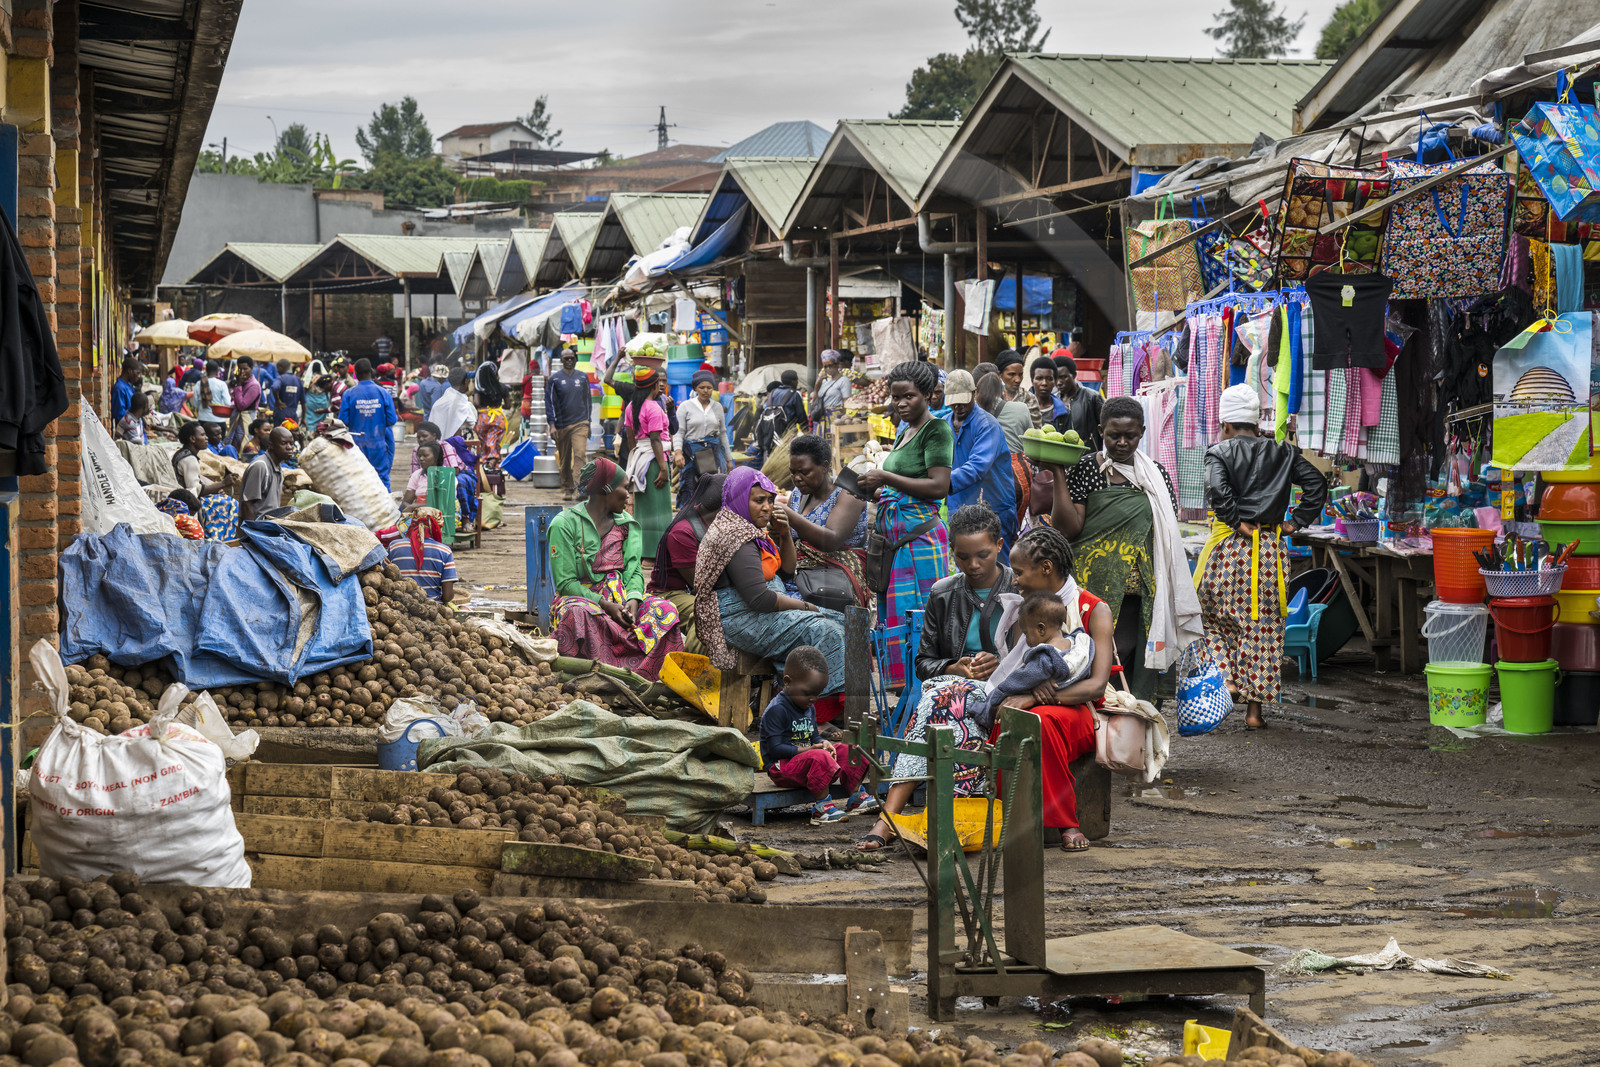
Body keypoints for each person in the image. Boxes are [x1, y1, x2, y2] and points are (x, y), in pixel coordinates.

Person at [864, 524, 1116, 852]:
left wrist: (1030, 697)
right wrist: (995, 673)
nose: (1014, 579)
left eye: (1021, 572)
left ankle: (1065, 821)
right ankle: (931, 816)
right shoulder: (1022, 608)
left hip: (1074, 706)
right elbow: (1015, 670)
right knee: (945, 700)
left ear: (1046, 568)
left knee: (1038, 722)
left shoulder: (1093, 609)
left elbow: (1096, 686)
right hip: (1021, 698)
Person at [854, 505, 1011, 850]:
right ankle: (944, 822)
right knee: (946, 700)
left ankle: (888, 819)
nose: (973, 565)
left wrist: (1000, 663)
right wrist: (953, 667)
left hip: (1002, 689)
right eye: (963, 557)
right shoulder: (943, 593)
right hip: (949, 688)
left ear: (999, 545)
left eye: (982, 555)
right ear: (951, 551)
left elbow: (1036, 652)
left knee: (941, 706)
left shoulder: (1020, 588)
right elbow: (923, 663)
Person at [1047, 395, 1203, 703]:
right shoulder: (1086, 468)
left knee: (1131, 658)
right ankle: (1100, 734)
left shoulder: (1155, 476)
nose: (1121, 442)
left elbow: (1164, 533)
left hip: (1139, 591)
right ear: (1101, 430)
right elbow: (1068, 529)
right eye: (1112, 435)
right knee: (1090, 657)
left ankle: (1133, 734)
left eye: (1129, 436)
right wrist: (1057, 474)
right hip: (1091, 590)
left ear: (1142, 432)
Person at [1198, 384, 1328, 729]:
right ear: (1258, 425)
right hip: (1269, 548)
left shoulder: (1219, 451)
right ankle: (1254, 714)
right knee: (1264, 628)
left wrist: (1236, 521)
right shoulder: (1283, 452)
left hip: (1227, 545)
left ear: (1226, 424)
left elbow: (1217, 490)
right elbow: (1317, 485)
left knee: (1212, 618)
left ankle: (1226, 679)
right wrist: (1294, 522)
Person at [693, 466, 848, 689]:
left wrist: (784, 534)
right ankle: (817, 710)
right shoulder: (737, 537)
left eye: (770, 500)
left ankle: (816, 699)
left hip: (753, 612)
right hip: (739, 619)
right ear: (739, 499)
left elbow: (786, 572)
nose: (767, 507)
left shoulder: (745, 528)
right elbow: (760, 600)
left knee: (841, 620)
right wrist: (805, 607)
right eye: (759, 500)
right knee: (825, 631)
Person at [856, 360, 952, 689]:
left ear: (927, 394)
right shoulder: (904, 430)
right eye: (895, 398)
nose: (900, 404)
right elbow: (906, 482)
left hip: (919, 542)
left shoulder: (937, 430)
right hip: (897, 544)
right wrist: (879, 490)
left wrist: (883, 475)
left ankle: (921, 692)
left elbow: (939, 486)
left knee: (918, 620)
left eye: (908, 396)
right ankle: (903, 694)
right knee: (896, 620)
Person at [549, 457, 683, 679]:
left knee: (665, 611)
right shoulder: (564, 524)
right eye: (625, 488)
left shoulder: (626, 524)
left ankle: (645, 675)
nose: (629, 496)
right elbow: (565, 583)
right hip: (582, 599)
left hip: (621, 597)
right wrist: (605, 605)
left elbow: (634, 571)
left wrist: (633, 599)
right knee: (577, 614)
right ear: (607, 490)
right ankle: (592, 674)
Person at [758, 646, 876, 826]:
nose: (813, 699)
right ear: (787, 682)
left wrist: (823, 742)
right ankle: (822, 808)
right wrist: (811, 750)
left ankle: (855, 796)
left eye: (817, 694)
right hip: (781, 767)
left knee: (850, 749)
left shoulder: (809, 707)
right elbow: (774, 749)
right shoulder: (777, 710)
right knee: (819, 756)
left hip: (808, 761)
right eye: (808, 693)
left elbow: (814, 737)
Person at [782, 434, 869, 609]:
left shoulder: (849, 493)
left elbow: (831, 540)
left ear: (824, 467)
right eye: (793, 472)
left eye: (804, 472)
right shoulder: (797, 494)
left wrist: (789, 516)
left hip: (837, 578)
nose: (797, 478)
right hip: (803, 573)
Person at [647, 473, 724, 655]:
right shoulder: (683, 532)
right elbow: (701, 584)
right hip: (671, 593)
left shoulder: (714, 521)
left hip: (697, 589)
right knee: (707, 614)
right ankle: (693, 668)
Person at [944, 369, 1017, 559]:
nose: (958, 407)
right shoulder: (944, 424)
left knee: (997, 565)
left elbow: (977, 466)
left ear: (974, 394)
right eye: (954, 402)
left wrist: (941, 483)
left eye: (963, 401)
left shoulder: (987, 425)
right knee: (966, 565)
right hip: (959, 506)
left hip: (993, 505)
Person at [620, 365, 676, 557]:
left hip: (639, 458)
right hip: (654, 460)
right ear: (653, 386)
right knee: (660, 509)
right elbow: (655, 439)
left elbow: (630, 439)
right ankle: (656, 554)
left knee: (643, 509)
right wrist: (663, 468)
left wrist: (634, 460)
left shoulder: (631, 407)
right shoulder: (653, 408)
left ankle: (643, 551)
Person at [976, 371, 1034, 529]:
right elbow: (1031, 442)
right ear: (1002, 391)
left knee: (987, 530)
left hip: (986, 473)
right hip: (1019, 473)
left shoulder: (973, 414)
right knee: (1012, 529)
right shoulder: (1021, 408)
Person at [170, 422, 239, 541]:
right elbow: (195, 490)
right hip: (190, 502)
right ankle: (222, 539)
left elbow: (198, 480)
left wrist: (216, 487)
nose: (206, 438)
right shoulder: (189, 459)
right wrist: (223, 483)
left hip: (185, 496)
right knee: (231, 504)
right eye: (202, 435)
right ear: (192, 439)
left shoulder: (183, 454)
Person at [673, 370, 731, 508]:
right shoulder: (685, 407)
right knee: (689, 487)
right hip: (690, 454)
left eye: (709, 387)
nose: (706, 391)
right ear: (695, 388)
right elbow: (679, 432)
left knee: (714, 488)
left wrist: (728, 460)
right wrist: (678, 452)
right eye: (702, 387)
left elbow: (723, 433)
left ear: (713, 388)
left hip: (714, 454)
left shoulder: (717, 407)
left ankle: (710, 519)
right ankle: (687, 519)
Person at [341, 358, 399, 487]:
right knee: (382, 478)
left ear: (355, 373)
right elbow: (392, 419)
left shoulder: (348, 394)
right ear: (371, 371)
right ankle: (384, 506)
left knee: (358, 479)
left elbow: (343, 421)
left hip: (356, 444)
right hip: (378, 442)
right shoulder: (383, 392)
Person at [546, 348, 593, 501]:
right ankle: (567, 487)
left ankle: (580, 488)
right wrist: (552, 425)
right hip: (562, 425)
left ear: (575, 359)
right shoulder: (554, 380)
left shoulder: (583, 377)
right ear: (561, 360)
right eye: (566, 358)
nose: (569, 360)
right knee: (565, 459)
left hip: (580, 423)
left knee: (580, 454)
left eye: (572, 357)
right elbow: (550, 403)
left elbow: (587, 401)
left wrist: (589, 422)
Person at [387, 508, 457, 603]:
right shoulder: (445, 551)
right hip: (434, 610)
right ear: (437, 526)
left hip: (399, 607)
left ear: (412, 523)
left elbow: (385, 580)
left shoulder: (394, 546)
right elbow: (447, 596)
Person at [240, 427, 295, 521]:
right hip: (257, 528)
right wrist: (253, 533)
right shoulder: (261, 466)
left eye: (291, 443)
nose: (289, 447)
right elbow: (247, 503)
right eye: (284, 443)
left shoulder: (278, 466)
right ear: (271, 445)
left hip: (269, 526)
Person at [1054, 355, 1103, 451]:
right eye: (1055, 378)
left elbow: (1106, 429)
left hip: (1089, 457)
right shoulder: (1054, 400)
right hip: (1062, 458)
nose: (1059, 382)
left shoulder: (1092, 397)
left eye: (1063, 377)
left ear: (1074, 375)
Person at [429, 366, 478, 440]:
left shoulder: (438, 403)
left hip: (438, 448)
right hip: (457, 448)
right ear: (465, 381)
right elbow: (471, 425)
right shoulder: (464, 406)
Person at [403, 441, 447, 511]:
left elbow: (444, 503)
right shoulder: (417, 475)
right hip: (419, 513)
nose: (421, 459)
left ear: (436, 457)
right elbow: (406, 502)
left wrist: (414, 507)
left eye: (425, 456)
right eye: (419, 456)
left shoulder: (447, 475)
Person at [812, 350, 853, 422]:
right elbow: (814, 401)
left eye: (830, 365)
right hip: (821, 419)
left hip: (835, 419)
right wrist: (817, 383)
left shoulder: (844, 381)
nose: (828, 369)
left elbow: (846, 403)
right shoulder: (824, 381)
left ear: (837, 364)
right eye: (825, 367)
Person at [1029, 360, 1070, 432]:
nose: (1044, 383)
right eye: (1039, 378)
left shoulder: (1064, 413)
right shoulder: (1023, 407)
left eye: (1049, 379)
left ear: (1055, 382)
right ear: (1032, 381)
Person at [270, 359, 303, 424]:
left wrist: (277, 400)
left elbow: (274, 387)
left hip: (280, 413)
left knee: (279, 433)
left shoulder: (280, 378)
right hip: (293, 415)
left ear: (280, 368)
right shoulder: (298, 380)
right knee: (293, 432)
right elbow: (303, 401)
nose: (277, 370)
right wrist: (304, 418)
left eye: (277, 368)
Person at [112, 357, 142, 423]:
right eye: (138, 373)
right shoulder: (120, 388)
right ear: (129, 371)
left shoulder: (128, 386)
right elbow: (119, 415)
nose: (139, 376)